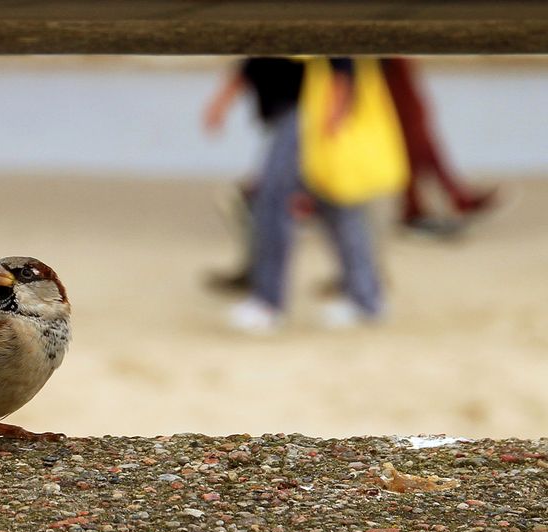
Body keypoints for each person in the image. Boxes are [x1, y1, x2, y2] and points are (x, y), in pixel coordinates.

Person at [205, 58, 384, 332]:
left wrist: (333, 117)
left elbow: (338, 53)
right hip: (300, 113)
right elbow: (256, 55)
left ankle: (267, 303)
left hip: (307, 114)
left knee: (273, 206)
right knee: (335, 206)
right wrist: (224, 99)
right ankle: (366, 299)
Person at [383, 58, 496, 237]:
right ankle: (444, 198)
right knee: (412, 131)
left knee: (415, 133)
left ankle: (442, 198)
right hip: (383, 63)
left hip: (386, 62)